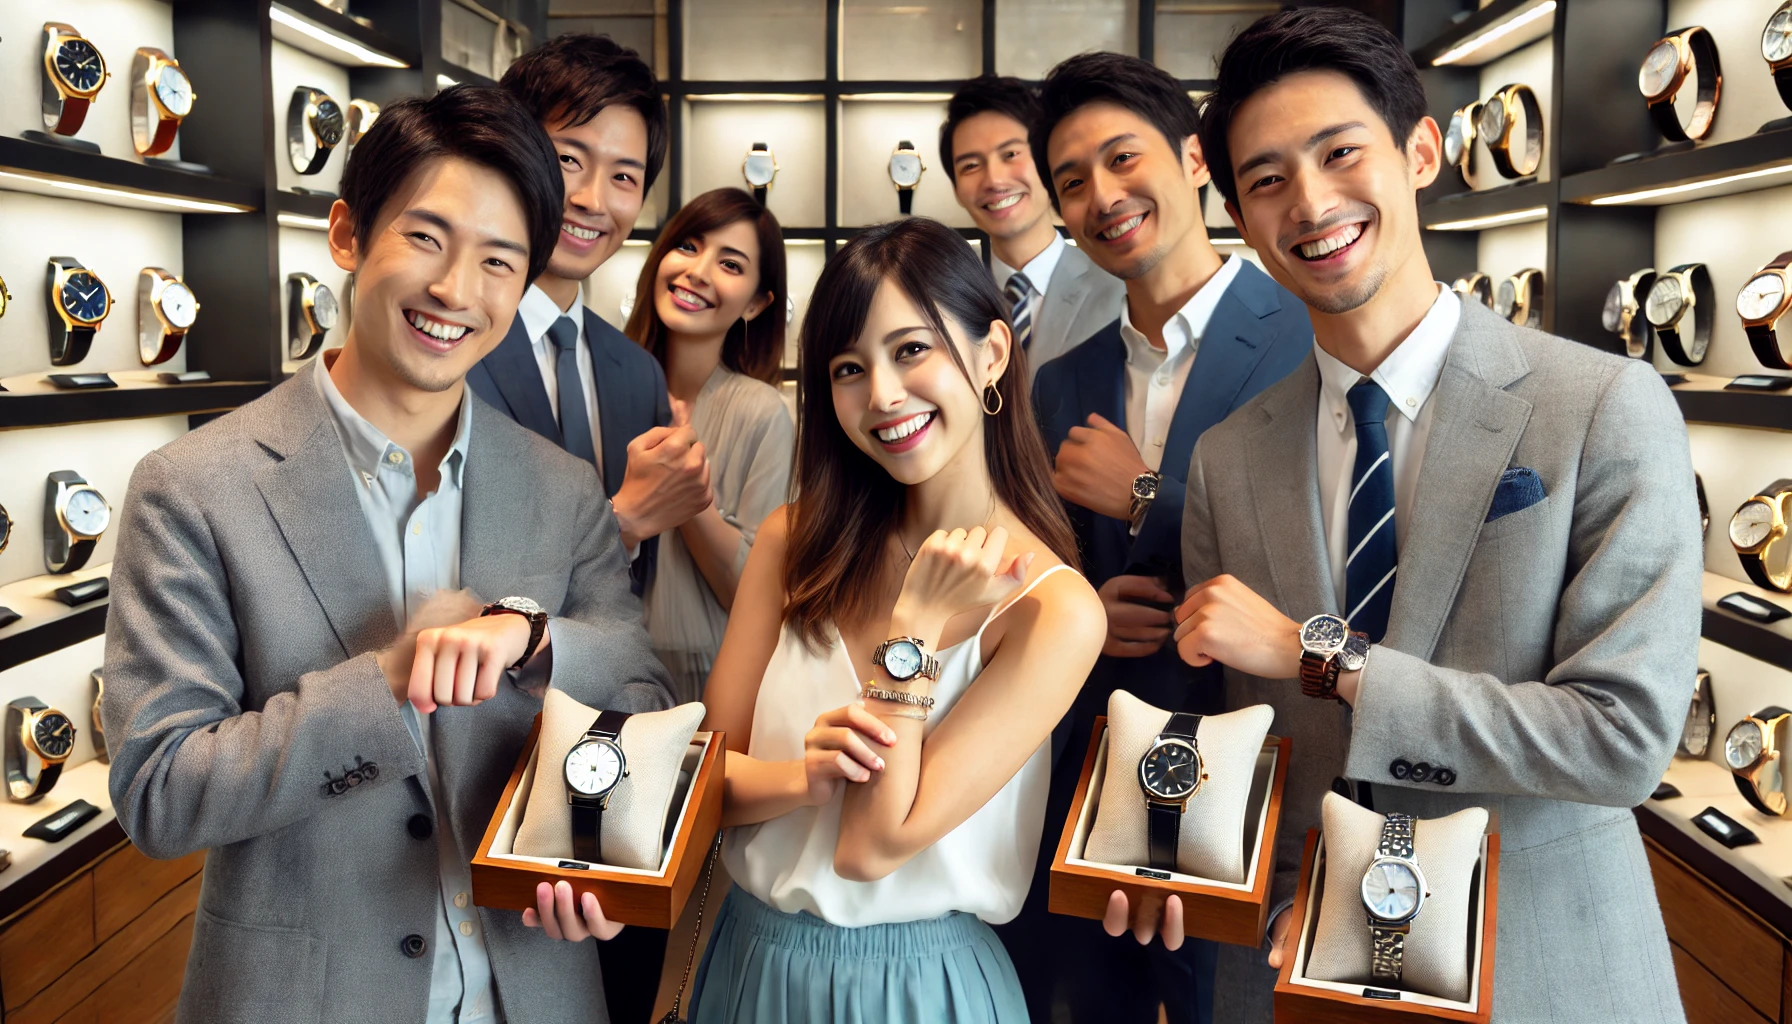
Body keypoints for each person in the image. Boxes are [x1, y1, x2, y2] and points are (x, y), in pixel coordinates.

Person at [1153, 9, 1695, 1022]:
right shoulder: (1227, 460)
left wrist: (1327, 656)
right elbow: (1254, 751)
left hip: (1544, 965)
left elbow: (1621, 739)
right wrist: (1207, 873)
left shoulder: (1602, 406)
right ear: (1236, 213)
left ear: (1419, 150)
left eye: (1339, 152)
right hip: (1300, 971)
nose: (1310, 202)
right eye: (1266, 179)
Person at [102, 85, 675, 1024]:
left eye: (500, 261)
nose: (457, 291)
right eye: (426, 238)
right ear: (346, 235)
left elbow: (639, 691)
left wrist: (534, 648)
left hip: (532, 995)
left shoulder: (561, 485)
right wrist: (388, 678)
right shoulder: (194, 485)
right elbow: (161, 793)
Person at [691, 217, 1103, 1022]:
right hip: (747, 960)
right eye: (849, 368)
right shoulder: (793, 539)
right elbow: (702, 780)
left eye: (912, 350)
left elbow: (872, 845)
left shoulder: (1053, 609)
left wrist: (913, 628)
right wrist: (798, 778)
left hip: (922, 987)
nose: (881, 395)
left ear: (990, 355)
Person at [1004, 52, 1314, 1024]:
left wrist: (1149, 496)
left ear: (1190, 159)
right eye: (1071, 180)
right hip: (1094, 771)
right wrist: (1079, 613)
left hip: (1262, 759)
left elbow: (1324, 546)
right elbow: (1037, 565)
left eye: (1121, 158)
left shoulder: (1305, 331)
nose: (1101, 195)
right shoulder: (1060, 377)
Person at [471, 34, 711, 600]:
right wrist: (619, 523)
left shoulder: (638, 372)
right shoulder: (451, 341)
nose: (591, 199)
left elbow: (629, 595)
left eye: (624, 177)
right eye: (569, 160)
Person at [623, 187, 795, 703]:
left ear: (758, 303)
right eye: (689, 246)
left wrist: (685, 491)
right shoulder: (603, 387)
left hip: (709, 686)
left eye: (731, 264)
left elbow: (751, 590)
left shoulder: (763, 412)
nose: (698, 272)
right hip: (594, 669)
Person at [941, 75, 1123, 378]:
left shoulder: (1118, 285)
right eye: (970, 166)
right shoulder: (948, 301)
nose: (994, 180)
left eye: (1010, 154)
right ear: (957, 190)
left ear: (1048, 162)